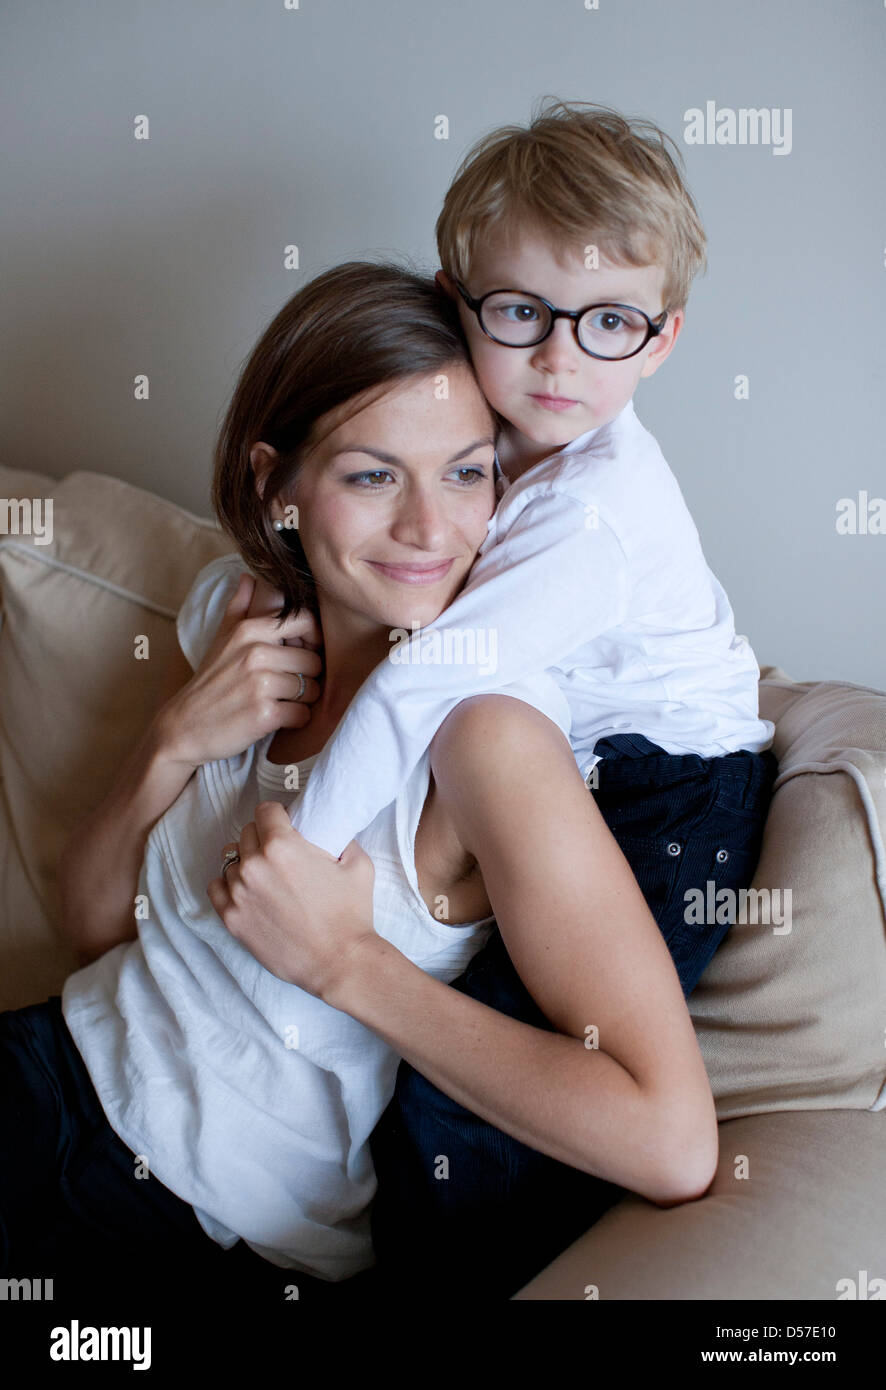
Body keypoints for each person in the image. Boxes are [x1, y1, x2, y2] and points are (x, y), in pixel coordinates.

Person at [0, 261, 716, 1304]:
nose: (431, 529)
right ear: (273, 483)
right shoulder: (242, 621)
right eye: (374, 475)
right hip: (45, 1066)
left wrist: (349, 963)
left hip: (199, 1230)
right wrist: (172, 740)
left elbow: (671, 1138)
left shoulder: (485, 737)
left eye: (467, 473)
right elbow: (96, 927)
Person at [251, 100, 779, 1295]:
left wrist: (301, 857)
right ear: (456, 300)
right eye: (519, 312)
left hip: (675, 789)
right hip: (593, 757)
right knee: (435, 1078)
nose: (555, 359)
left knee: (479, 1096)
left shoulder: (592, 508)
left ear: (660, 341)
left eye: (605, 324)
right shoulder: (489, 448)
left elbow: (422, 685)